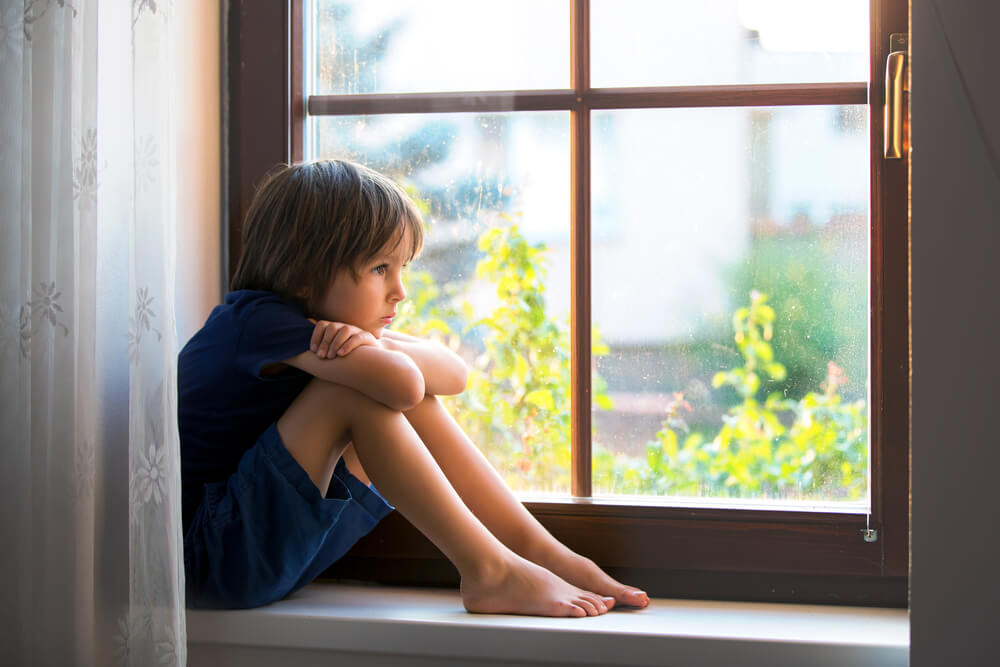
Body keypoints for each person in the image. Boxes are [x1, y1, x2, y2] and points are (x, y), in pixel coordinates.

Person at [179, 159, 649, 615]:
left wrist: (373, 344)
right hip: (212, 557)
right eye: (381, 269)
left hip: (260, 552)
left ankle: (534, 549)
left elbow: (453, 374)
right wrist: (375, 351)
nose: (400, 291)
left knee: (390, 386)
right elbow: (403, 384)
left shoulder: (329, 328)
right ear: (303, 274)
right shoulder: (256, 321)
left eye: (402, 268)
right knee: (356, 391)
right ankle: (488, 569)